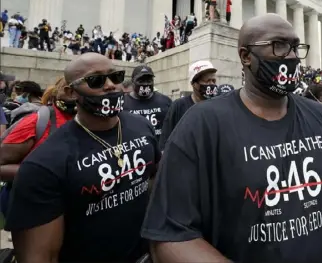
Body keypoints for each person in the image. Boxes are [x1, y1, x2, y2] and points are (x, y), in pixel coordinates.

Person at [142, 13, 322, 263]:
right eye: (278, 45)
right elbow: (170, 236)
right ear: (246, 56)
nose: (290, 56)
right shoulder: (201, 125)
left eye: (294, 46)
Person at [5, 53, 160, 262]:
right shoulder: (45, 162)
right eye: (95, 80)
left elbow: (154, 179)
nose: (110, 85)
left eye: (116, 76)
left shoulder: (142, 126)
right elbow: (40, 256)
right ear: (71, 92)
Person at [158, 60, 218, 151]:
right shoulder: (178, 106)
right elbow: (166, 139)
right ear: (194, 83)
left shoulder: (219, 106)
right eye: (207, 81)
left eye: (213, 80)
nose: (211, 84)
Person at [123, 65, 172, 142]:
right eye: (141, 81)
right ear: (133, 82)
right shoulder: (123, 103)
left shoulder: (165, 101)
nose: (145, 84)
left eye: (149, 81)